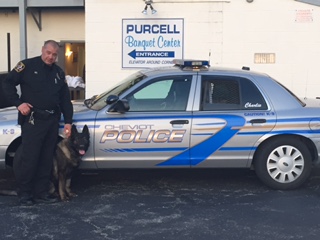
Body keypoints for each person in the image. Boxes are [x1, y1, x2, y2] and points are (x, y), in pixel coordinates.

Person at [3, 40, 73, 205]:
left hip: (51, 121)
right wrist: (18, 103)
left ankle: (42, 193)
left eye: (54, 55)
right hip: (33, 120)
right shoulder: (26, 66)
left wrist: (68, 121)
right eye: (48, 53)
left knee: (46, 158)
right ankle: (25, 194)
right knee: (30, 158)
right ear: (43, 50)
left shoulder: (58, 73)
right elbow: (7, 83)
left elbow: (65, 99)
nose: (50, 57)